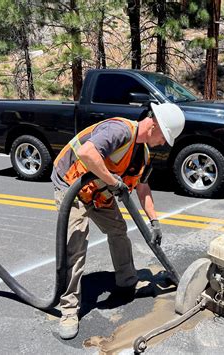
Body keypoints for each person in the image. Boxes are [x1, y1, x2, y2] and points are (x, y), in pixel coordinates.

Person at [51, 102, 185, 340]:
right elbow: (87, 153)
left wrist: (154, 221)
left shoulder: (142, 153)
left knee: (119, 231)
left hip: (98, 192)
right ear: (154, 125)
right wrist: (112, 182)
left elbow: (143, 188)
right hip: (71, 186)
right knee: (76, 246)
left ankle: (127, 282)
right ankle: (69, 309)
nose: (163, 143)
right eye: (164, 137)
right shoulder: (120, 131)